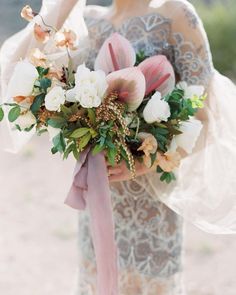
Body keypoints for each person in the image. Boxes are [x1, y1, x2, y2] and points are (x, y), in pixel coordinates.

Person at [1, 1, 236, 295]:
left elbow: (205, 120)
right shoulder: (88, 22)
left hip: (151, 214)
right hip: (97, 201)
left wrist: (146, 161)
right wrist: (62, 6)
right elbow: (13, 77)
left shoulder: (177, 14)